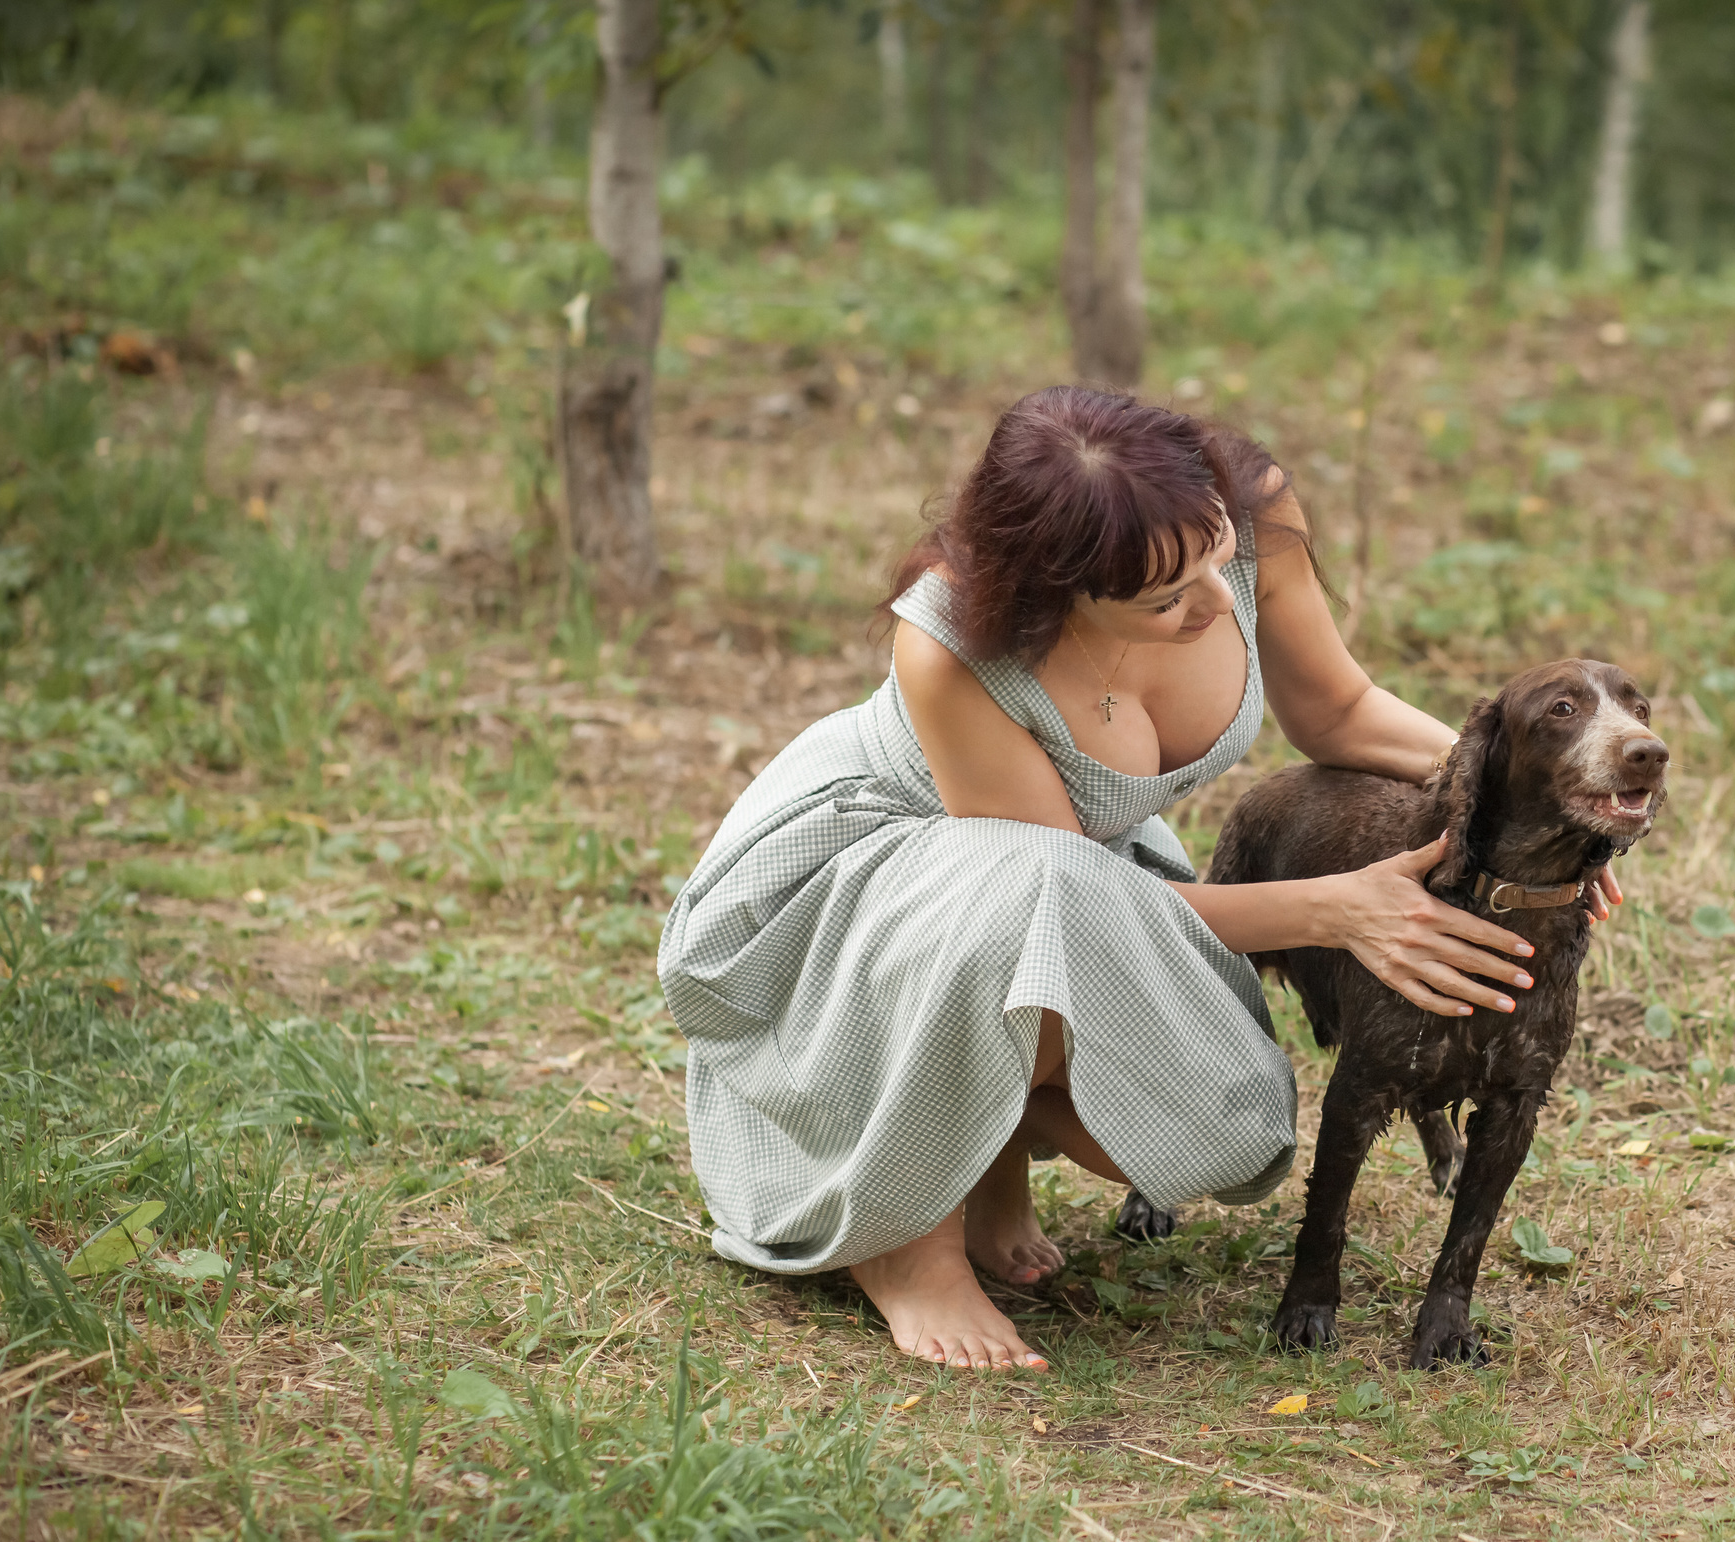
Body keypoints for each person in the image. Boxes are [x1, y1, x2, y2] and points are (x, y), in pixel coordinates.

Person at [658, 386, 1621, 1371]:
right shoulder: (949, 644)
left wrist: (1506, 813)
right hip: (885, 879)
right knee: (1030, 903)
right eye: (1167, 600)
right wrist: (1334, 909)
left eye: (1217, 558)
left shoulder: (1244, 513)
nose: (1217, 603)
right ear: (1055, 595)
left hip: (1070, 875)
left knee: (1215, 1132)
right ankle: (910, 1248)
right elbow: (1054, 892)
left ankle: (991, 1119)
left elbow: (1339, 712)